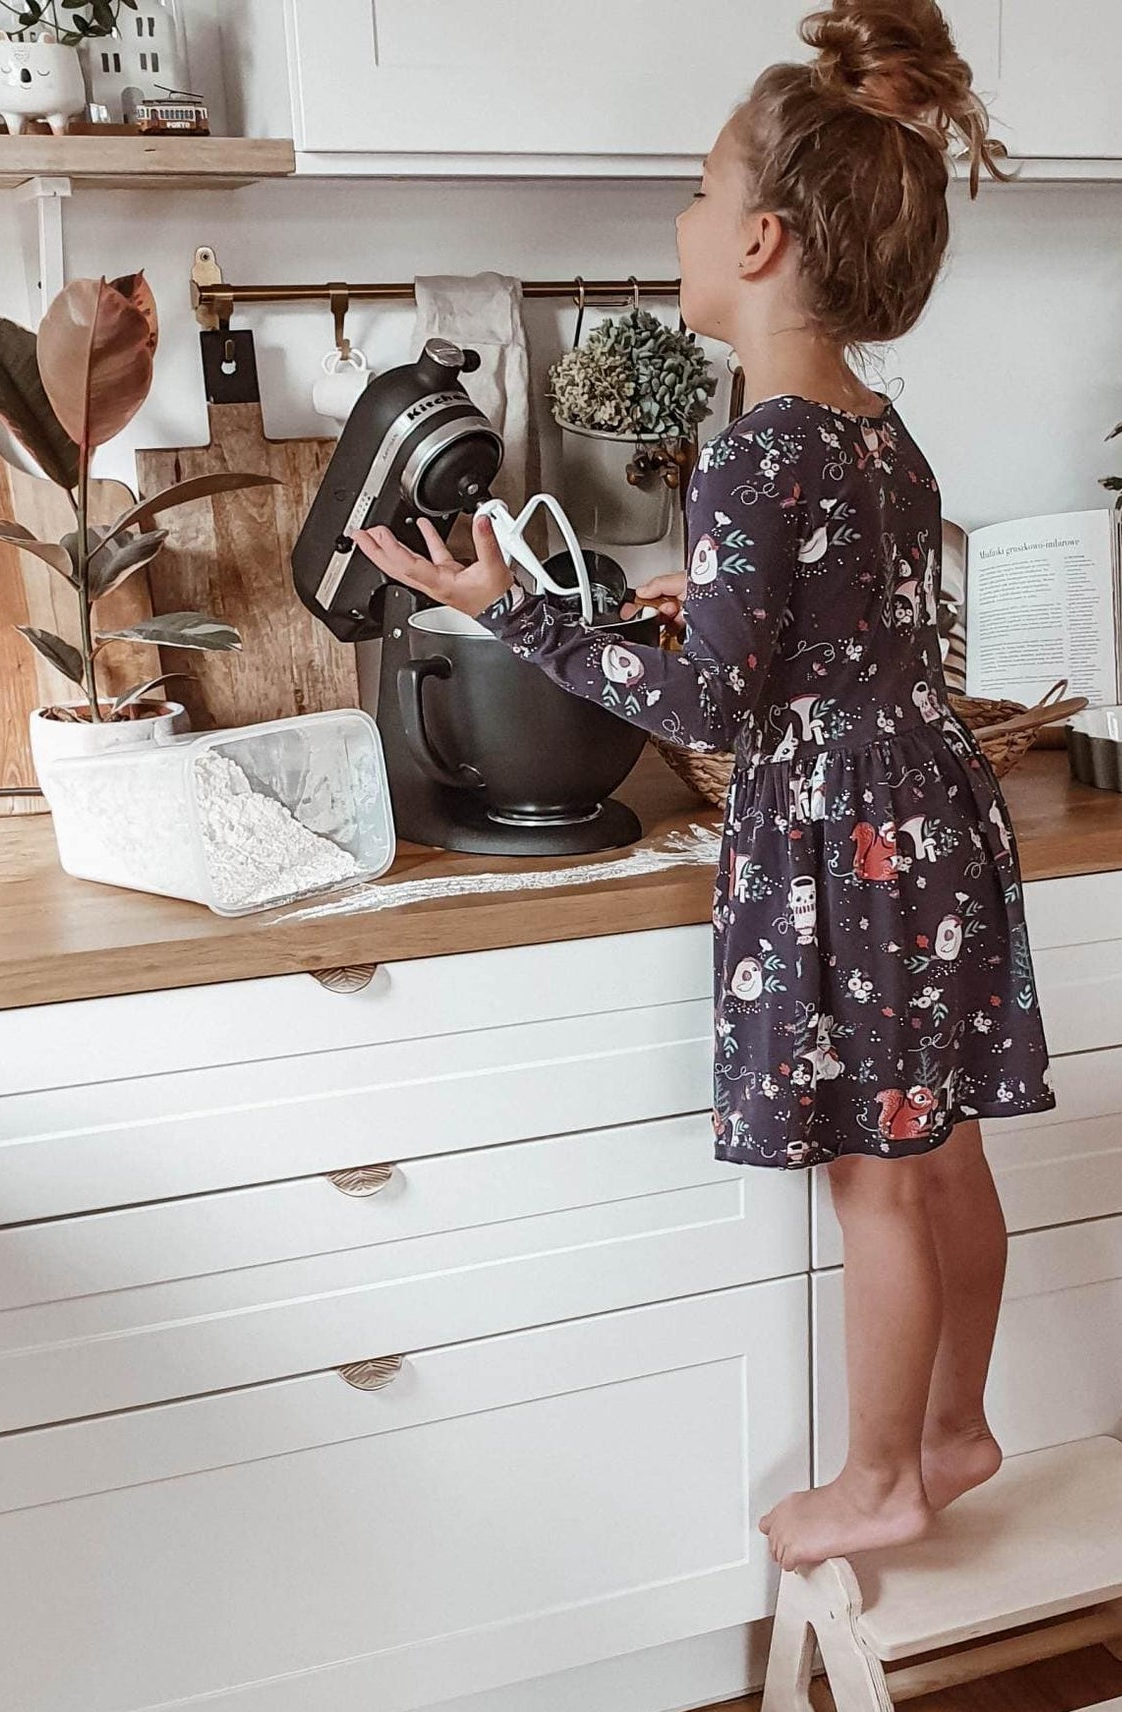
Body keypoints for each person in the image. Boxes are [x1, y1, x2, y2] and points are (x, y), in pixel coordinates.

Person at [352, 0, 1055, 1571]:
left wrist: (505, 609)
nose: (675, 218)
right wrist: (695, 595)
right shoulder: (874, 431)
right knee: (944, 1149)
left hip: (845, 836)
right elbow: (838, 626)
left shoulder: (752, 451)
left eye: (692, 189)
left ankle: (880, 1477)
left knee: (873, 1178)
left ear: (760, 241)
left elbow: (706, 703)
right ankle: (953, 1425)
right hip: (931, 804)